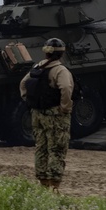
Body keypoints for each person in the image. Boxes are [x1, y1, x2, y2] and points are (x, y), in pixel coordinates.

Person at [20, 37, 75, 191]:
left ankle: (43, 184)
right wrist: (65, 107)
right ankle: (54, 186)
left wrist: (29, 101)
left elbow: (23, 84)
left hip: (37, 114)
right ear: (62, 53)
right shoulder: (60, 70)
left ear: (46, 53)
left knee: (41, 148)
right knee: (57, 148)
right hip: (55, 115)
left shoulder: (37, 67)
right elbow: (65, 88)